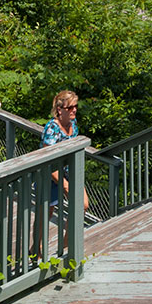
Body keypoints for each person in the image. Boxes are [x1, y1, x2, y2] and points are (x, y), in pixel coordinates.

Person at [41, 90, 89, 220]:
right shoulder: (52, 128)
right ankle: (38, 241)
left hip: (69, 172)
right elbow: (46, 160)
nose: (74, 110)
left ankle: (68, 240)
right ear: (60, 110)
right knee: (45, 215)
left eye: (75, 106)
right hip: (51, 175)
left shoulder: (73, 124)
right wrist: (65, 185)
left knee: (82, 205)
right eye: (70, 107)